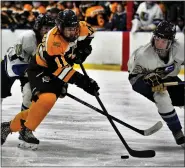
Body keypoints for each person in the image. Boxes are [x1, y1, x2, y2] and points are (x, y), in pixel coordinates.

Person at [1, 9, 100, 150]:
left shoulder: (82, 27)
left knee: (39, 107)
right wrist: (84, 83)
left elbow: (90, 33)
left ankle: (8, 127)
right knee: (47, 98)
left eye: (74, 29)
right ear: (59, 28)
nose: (72, 33)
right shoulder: (53, 41)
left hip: (58, 66)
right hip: (40, 68)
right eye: (68, 30)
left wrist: (82, 48)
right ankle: (26, 129)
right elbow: (60, 70)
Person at [1, 14, 55, 148]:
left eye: (50, 28)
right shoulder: (27, 37)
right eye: (45, 28)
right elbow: (17, 60)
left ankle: (23, 128)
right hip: (12, 67)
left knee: (30, 96)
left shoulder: (51, 42)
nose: (47, 31)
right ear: (38, 27)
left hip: (28, 69)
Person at [128, 20, 185, 147]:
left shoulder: (180, 49)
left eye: (163, 41)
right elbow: (133, 80)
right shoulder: (143, 55)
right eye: (157, 39)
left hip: (169, 79)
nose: (159, 44)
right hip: (147, 82)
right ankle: (177, 132)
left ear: (171, 42)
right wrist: (148, 84)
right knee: (162, 96)